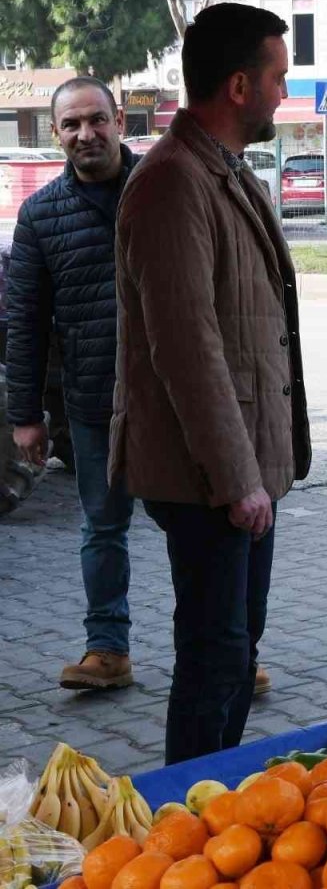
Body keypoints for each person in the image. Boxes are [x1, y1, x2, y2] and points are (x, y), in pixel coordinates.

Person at [111, 3, 310, 763]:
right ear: (238, 86)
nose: (284, 92)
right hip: (208, 477)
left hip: (240, 467)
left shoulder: (219, 168)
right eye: (278, 77)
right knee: (215, 654)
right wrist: (237, 478)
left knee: (235, 647)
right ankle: (187, 809)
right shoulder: (171, 181)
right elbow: (186, 346)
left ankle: (215, 796)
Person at [5, 76, 141, 690]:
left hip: (177, 400)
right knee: (102, 528)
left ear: (119, 121)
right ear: (58, 134)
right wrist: (25, 415)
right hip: (93, 402)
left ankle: (226, 653)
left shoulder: (164, 189)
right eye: (71, 124)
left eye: (96, 119)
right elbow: (26, 323)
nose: (86, 133)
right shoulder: (41, 215)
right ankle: (107, 650)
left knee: (200, 530)